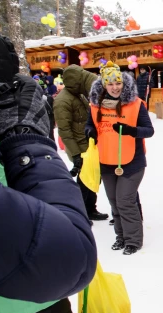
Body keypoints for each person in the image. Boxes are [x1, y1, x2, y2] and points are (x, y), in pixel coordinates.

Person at [0, 23, 97, 313]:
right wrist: (33, 146)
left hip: (34, 312)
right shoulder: (13, 125)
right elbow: (62, 251)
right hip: (26, 309)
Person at [86, 61, 155, 255]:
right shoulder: (95, 105)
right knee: (114, 201)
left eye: (118, 83)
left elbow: (149, 130)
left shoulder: (136, 105)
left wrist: (131, 131)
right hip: (106, 160)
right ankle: (121, 236)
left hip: (132, 162)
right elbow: (90, 124)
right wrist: (89, 131)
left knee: (125, 200)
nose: (115, 87)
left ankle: (133, 240)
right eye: (110, 84)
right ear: (103, 85)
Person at [54, 64, 110, 222]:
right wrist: (76, 154)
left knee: (93, 178)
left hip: (89, 145)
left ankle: (91, 208)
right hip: (79, 147)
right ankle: (80, 211)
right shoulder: (62, 101)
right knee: (83, 181)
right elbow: (64, 131)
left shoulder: (79, 95)